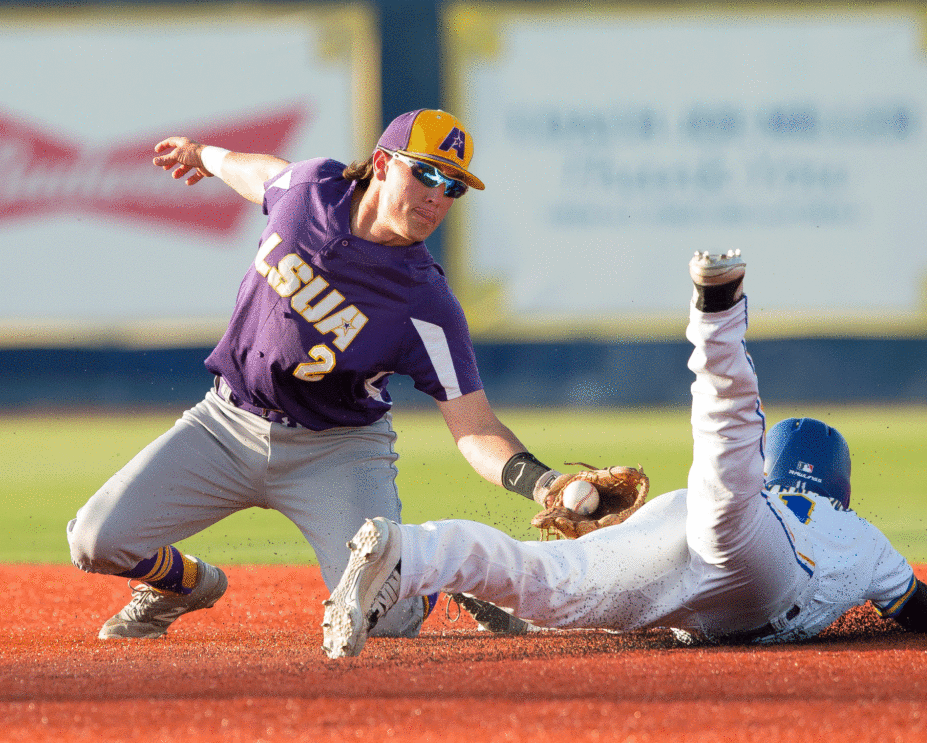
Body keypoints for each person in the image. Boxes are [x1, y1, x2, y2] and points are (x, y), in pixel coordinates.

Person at [322, 251, 927, 658]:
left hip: (682, 555)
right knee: (726, 485)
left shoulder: (800, 506)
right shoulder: (857, 534)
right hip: (761, 572)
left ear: (781, 470)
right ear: (840, 485)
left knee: (544, 579)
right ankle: (718, 320)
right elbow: (919, 609)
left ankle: (413, 553)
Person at [67, 109, 565, 640]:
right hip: (226, 425)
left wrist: (548, 484)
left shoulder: (426, 302)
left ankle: (431, 570)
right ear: (380, 163)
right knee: (94, 542)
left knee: (389, 625)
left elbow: (475, 427)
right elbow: (257, 173)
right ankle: (185, 585)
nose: (437, 196)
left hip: (336, 451)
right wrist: (204, 157)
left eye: (453, 187)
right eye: (426, 173)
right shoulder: (308, 190)